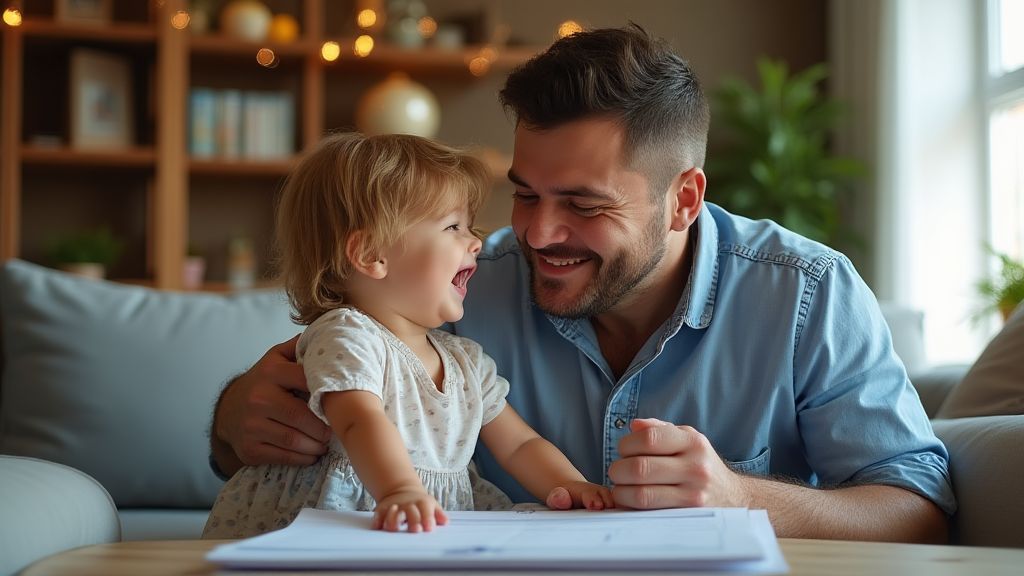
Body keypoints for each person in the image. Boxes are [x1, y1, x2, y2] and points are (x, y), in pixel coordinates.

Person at [210, 25, 956, 542]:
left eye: (584, 205)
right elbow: (318, 406)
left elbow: (917, 510)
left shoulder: (807, 294)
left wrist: (742, 498)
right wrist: (237, 416)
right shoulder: (458, 286)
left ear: (684, 201)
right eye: (526, 193)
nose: (535, 233)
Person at [202, 133, 613, 538]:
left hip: (419, 526)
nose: (475, 241)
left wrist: (569, 485)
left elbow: (520, 444)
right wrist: (399, 488)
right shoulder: (347, 336)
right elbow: (358, 420)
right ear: (371, 255)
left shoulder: (465, 361)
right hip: (341, 527)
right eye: (453, 226)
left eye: (469, 227)